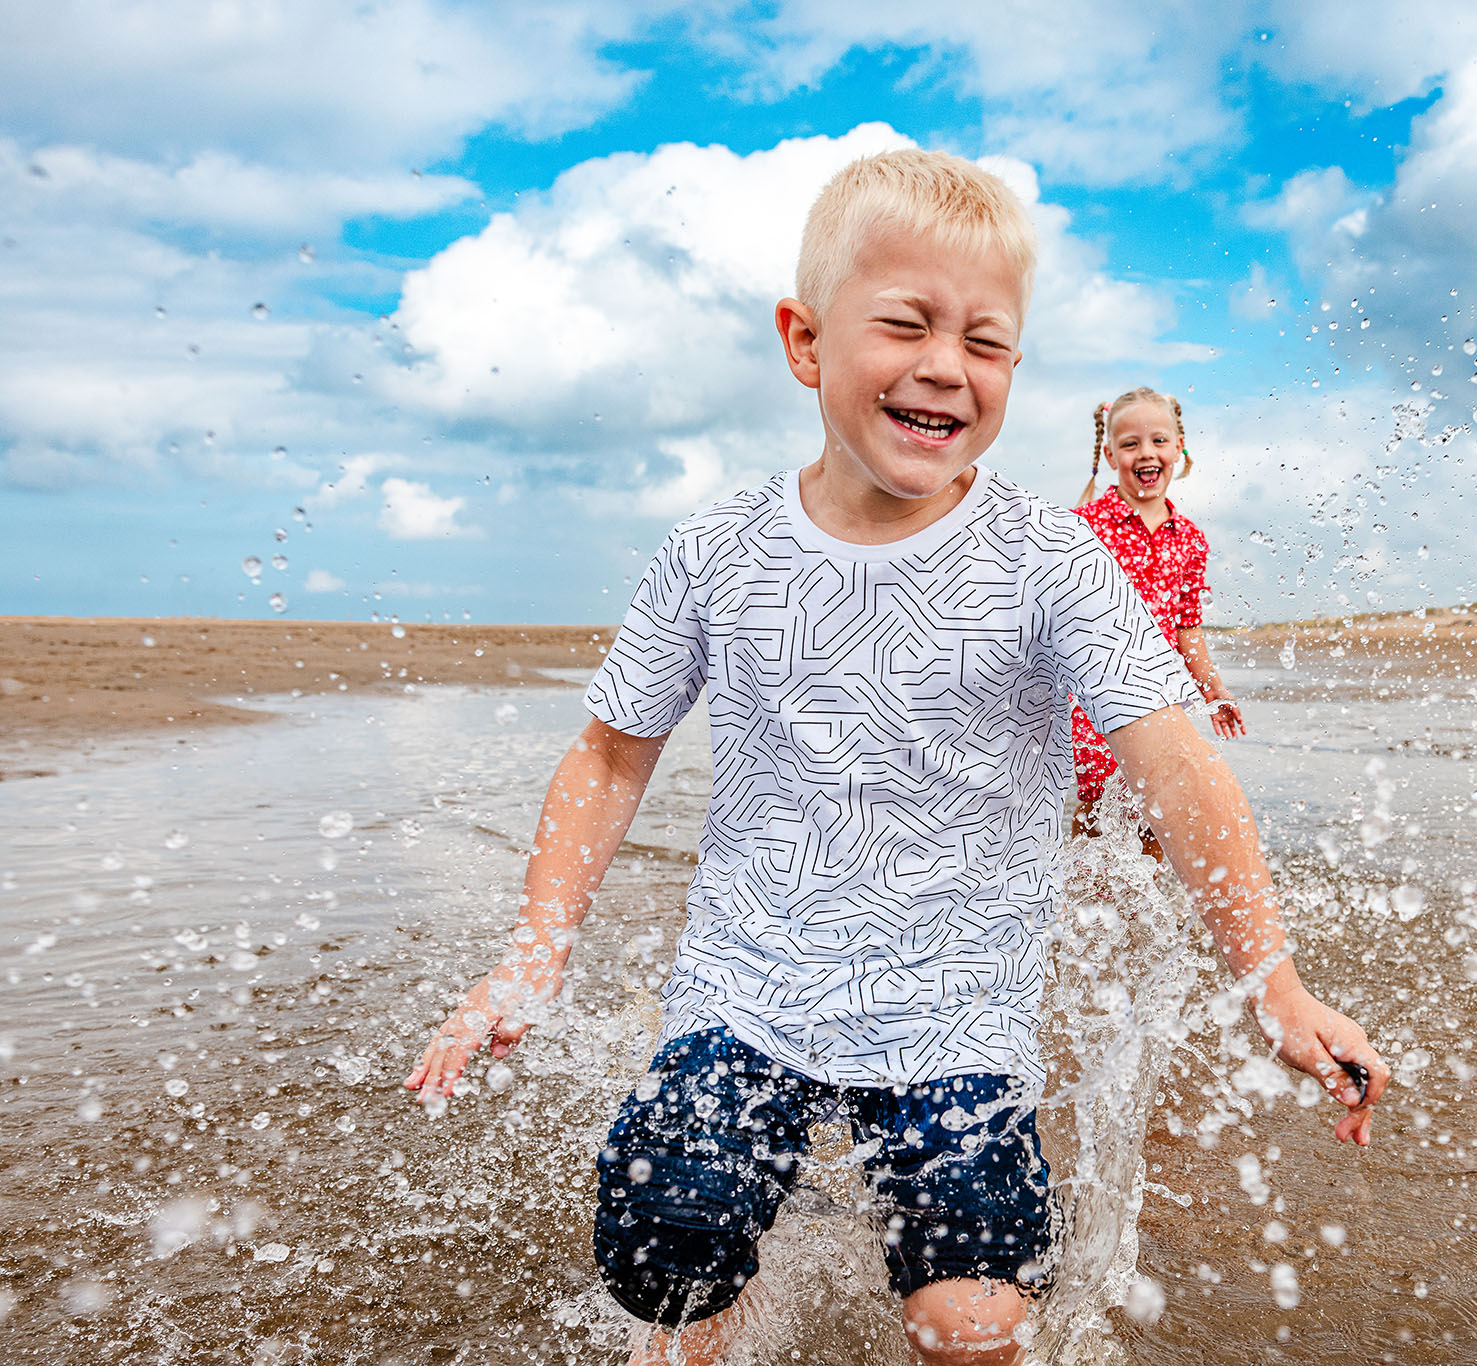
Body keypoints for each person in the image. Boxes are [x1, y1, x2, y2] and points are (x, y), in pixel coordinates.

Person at [403, 147, 1389, 1366]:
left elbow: (1176, 768)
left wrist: (1273, 982)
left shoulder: (1050, 561)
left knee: (969, 1321)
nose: (944, 366)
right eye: (905, 324)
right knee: (665, 1252)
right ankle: (728, 1309)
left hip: (959, 1017)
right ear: (805, 341)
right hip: (745, 990)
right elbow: (609, 757)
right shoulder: (717, 549)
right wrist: (531, 957)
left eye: (985, 341)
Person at [1071, 388, 1243, 854]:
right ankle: (1086, 908)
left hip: (1165, 695)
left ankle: (1141, 922)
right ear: (1110, 455)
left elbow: (1188, 625)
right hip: (1096, 700)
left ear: (1178, 448)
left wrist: (1213, 687)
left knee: (1161, 811)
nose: (1145, 453)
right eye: (1130, 444)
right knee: (1100, 812)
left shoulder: (1190, 540)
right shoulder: (1082, 527)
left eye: (1158, 441)